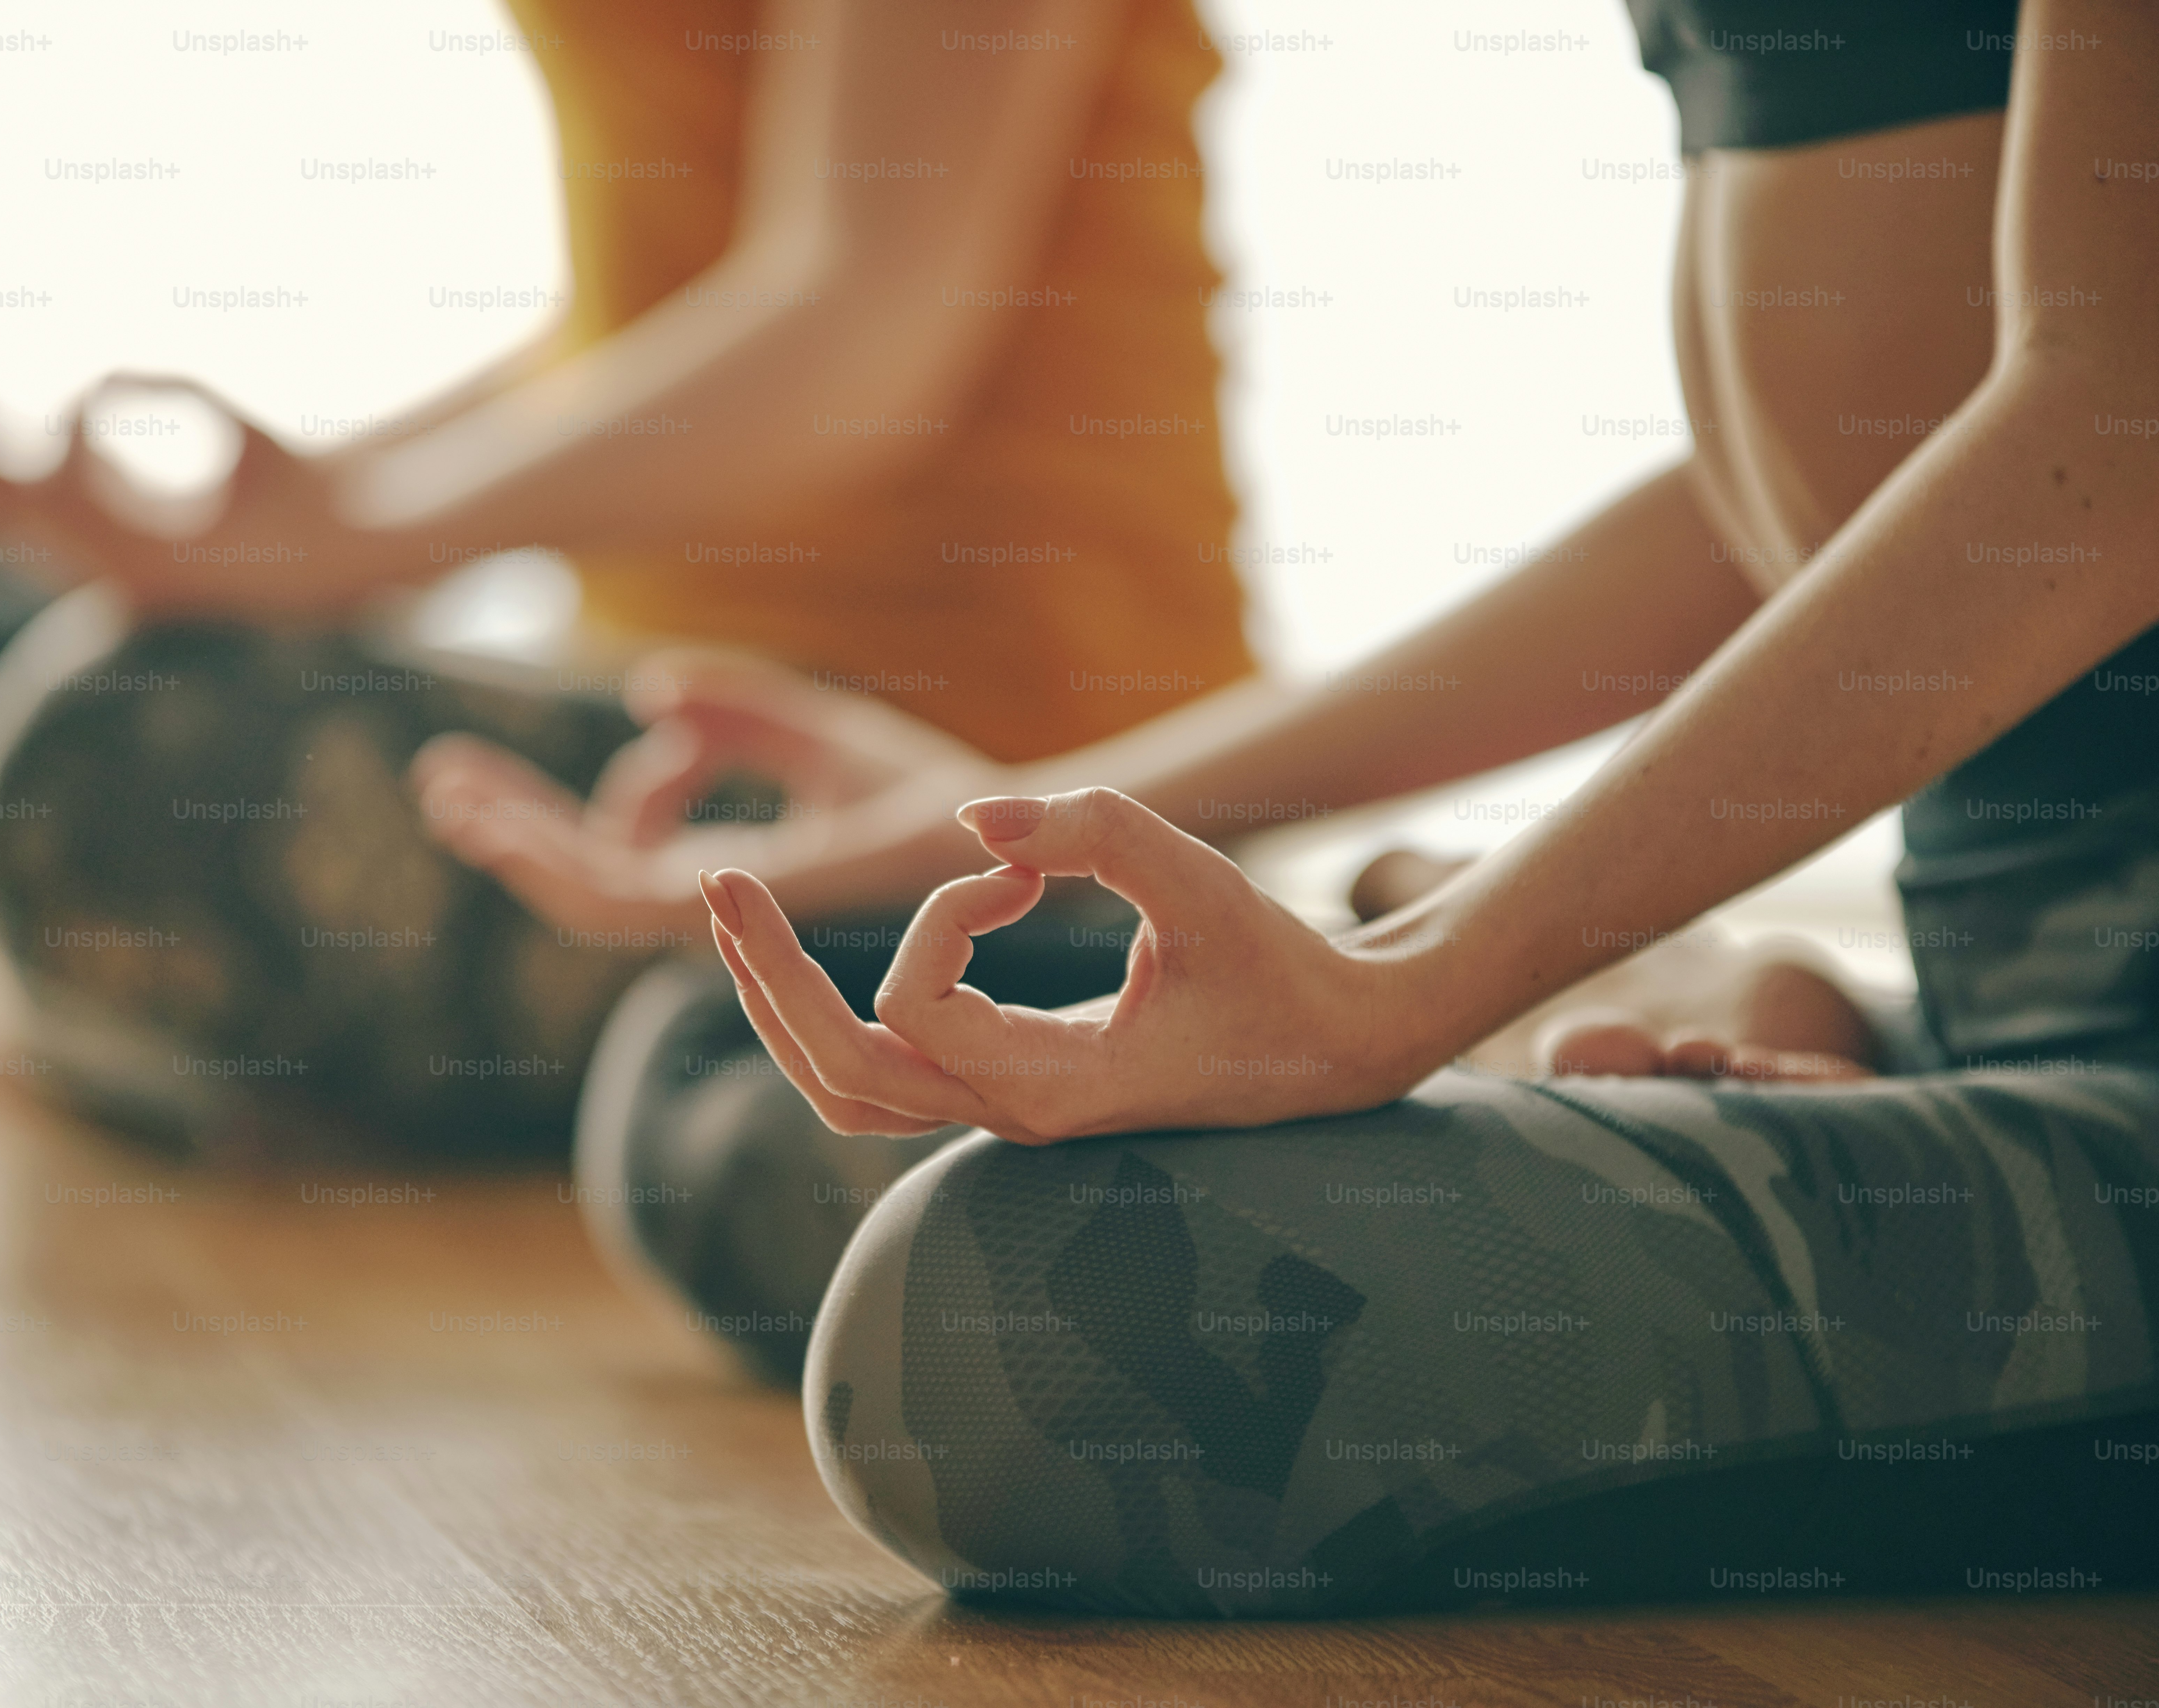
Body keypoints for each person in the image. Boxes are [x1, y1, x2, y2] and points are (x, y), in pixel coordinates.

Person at [497, 1, 2159, 1615]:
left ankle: (1701, 1033)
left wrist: (1422, 985)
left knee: (1014, 1324)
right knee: (727, 1080)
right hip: (1999, 1001)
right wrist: (1013, 813)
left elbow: (2113, 428)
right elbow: (1830, 485)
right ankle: (1762, 1030)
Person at [0, 0, 1248, 1157]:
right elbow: (641, 325)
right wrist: (265, 528)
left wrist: (346, 547)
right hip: (657, 679)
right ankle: (45, 968)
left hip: (975, 737)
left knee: (78, 785)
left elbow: (859, 323)